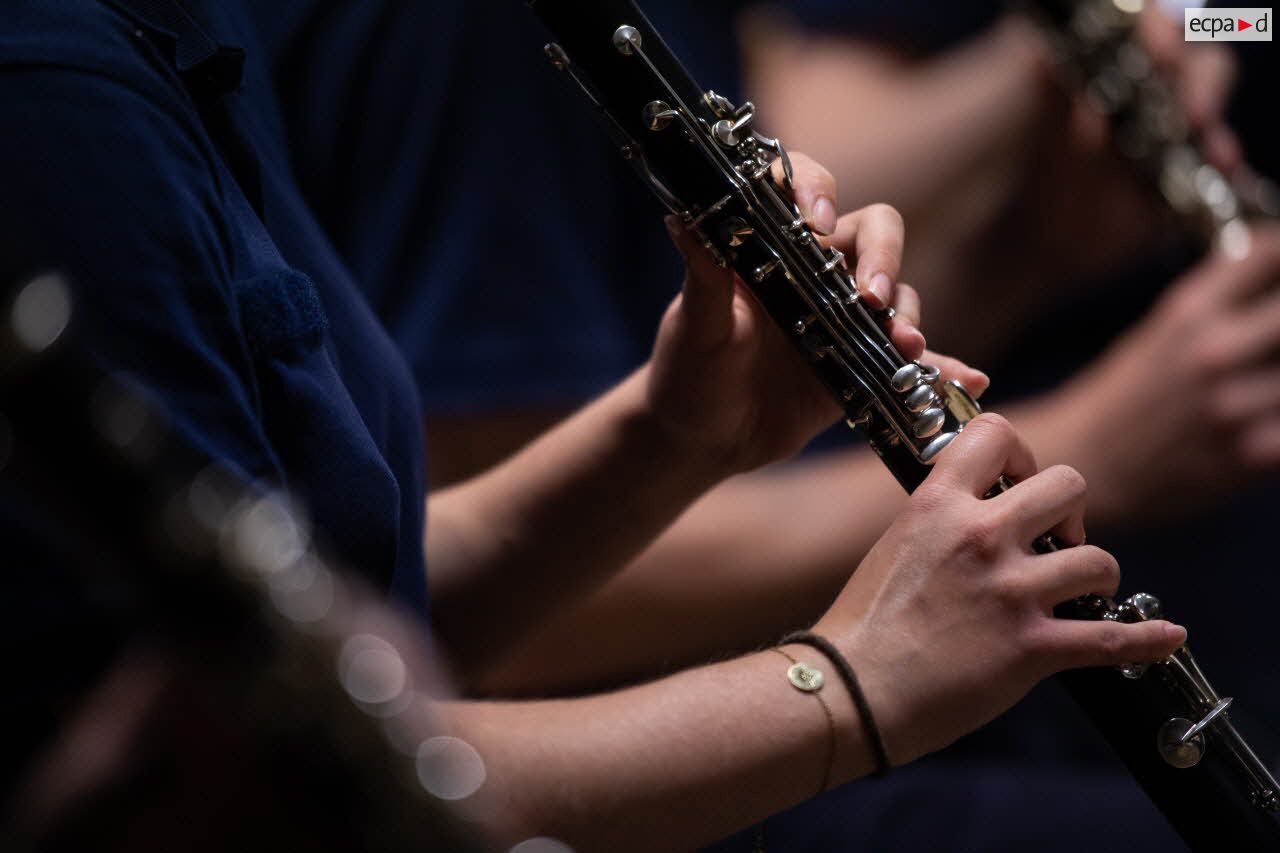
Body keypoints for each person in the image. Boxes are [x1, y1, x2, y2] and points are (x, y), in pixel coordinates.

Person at [0, 1, 1186, 849]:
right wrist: (855, 681)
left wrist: (676, 434)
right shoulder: (57, 100)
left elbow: (346, 606)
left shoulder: (177, 33)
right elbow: (252, 778)